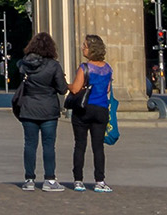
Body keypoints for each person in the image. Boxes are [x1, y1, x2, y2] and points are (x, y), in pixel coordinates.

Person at [16, 31, 67, 192]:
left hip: (28, 108)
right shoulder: (54, 66)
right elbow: (62, 89)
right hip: (48, 110)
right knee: (48, 145)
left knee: (30, 144)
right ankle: (49, 179)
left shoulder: (24, 64)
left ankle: (29, 179)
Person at [67, 34, 114, 193]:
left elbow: (75, 89)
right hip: (101, 110)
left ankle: (78, 180)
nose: (82, 48)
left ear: (91, 49)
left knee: (80, 145)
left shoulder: (85, 68)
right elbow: (107, 89)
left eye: (85, 46)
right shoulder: (107, 68)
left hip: (84, 109)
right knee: (98, 147)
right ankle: (100, 181)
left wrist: (66, 84)